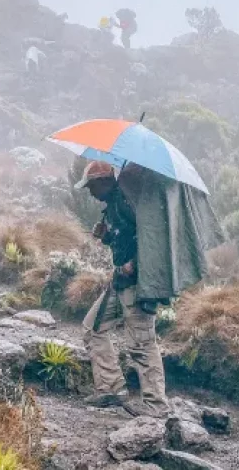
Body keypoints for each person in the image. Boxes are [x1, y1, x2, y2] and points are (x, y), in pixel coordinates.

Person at [76, 161, 170, 418]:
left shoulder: (129, 202)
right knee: (93, 328)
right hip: (120, 283)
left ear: (104, 181)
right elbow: (124, 238)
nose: (90, 193)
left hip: (139, 285)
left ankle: (156, 406)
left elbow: (154, 238)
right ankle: (110, 388)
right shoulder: (114, 206)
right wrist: (105, 236)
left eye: (92, 186)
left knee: (142, 344)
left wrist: (134, 264)